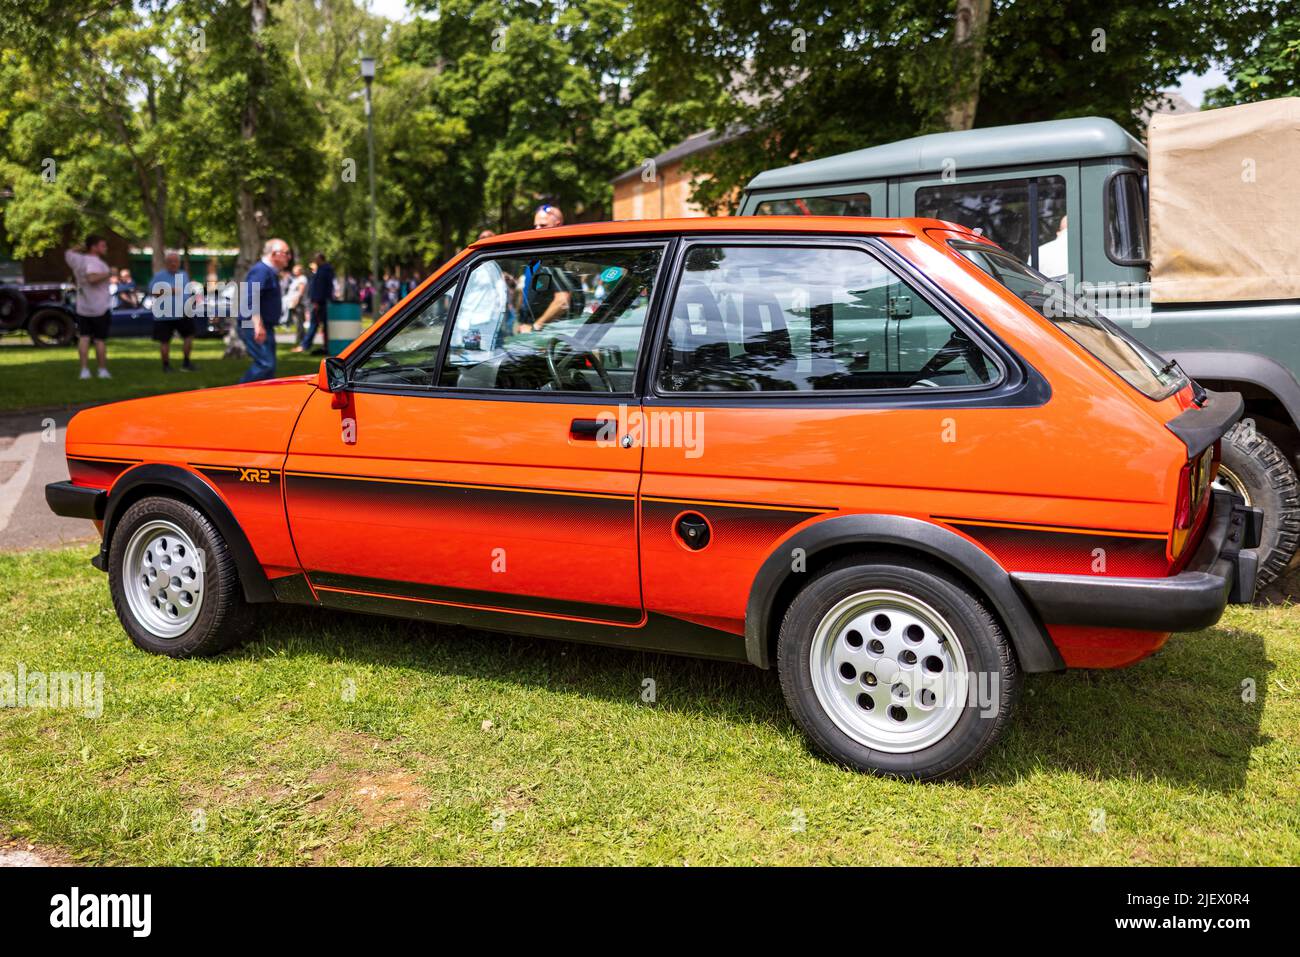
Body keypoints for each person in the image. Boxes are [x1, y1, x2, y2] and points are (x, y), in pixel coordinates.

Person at [240, 238, 290, 383]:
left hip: (264, 325)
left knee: (269, 369)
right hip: (253, 325)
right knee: (265, 364)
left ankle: (262, 400)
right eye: (286, 253)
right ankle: (237, 395)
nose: (289, 257)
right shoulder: (260, 270)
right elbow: (251, 298)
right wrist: (257, 325)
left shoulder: (269, 271)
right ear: (275, 254)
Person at [65, 234, 114, 379]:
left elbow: (68, 253)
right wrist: (109, 273)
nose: (105, 248)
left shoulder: (77, 259)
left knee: (84, 338)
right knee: (99, 340)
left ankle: (84, 370)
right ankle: (102, 370)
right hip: (99, 308)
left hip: (83, 307)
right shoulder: (94, 262)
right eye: (102, 245)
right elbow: (91, 278)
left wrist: (80, 246)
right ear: (94, 247)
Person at [517, 204, 572, 333]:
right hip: (527, 329)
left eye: (543, 226)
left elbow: (562, 301)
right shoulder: (537, 257)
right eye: (535, 226)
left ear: (558, 225)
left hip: (544, 336)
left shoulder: (558, 258)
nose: (537, 229)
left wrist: (536, 326)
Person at [148, 250, 197, 372]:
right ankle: (166, 366)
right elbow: (152, 291)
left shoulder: (184, 274)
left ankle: (186, 363)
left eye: (176, 261)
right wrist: (170, 290)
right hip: (164, 315)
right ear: (166, 263)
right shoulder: (159, 276)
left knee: (189, 336)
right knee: (164, 341)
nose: (173, 264)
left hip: (183, 313)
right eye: (170, 261)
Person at [294, 251, 334, 354]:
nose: (315, 261)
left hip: (320, 302)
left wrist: (316, 301)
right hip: (322, 301)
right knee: (322, 326)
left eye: (316, 259)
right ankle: (325, 346)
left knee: (314, 324)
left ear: (321, 259)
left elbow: (320, 288)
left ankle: (305, 345)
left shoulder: (323, 271)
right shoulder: (324, 270)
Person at [283, 263, 308, 339]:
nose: (294, 271)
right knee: (296, 321)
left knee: (299, 321)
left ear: (300, 271)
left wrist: (296, 301)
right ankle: (300, 337)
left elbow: (301, 291)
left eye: (295, 270)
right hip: (292, 302)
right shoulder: (296, 279)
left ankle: (301, 338)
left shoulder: (302, 279)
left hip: (298, 303)